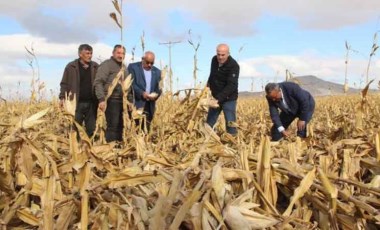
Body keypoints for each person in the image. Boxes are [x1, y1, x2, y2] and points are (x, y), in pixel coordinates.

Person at [94, 44, 132, 142]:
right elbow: (98, 82)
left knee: (121, 126)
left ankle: (118, 147)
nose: (120, 55)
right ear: (113, 53)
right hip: (111, 100)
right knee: (112, 126)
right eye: (118, 53)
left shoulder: (124, 67)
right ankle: (111, 148)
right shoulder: (107, 65)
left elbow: (128, 86)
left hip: (122, 101)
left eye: (123, 53)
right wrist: (101, 99)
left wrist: (129, 101)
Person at [59, 44, 99, 137]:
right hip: (75, 103)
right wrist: (62, 98)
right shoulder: (71, 67)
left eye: (91, 53)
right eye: (87, 53)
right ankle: (75, 148)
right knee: (75, 128)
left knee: (91, 129)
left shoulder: (95, 67)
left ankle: (89, 148)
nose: (90, 55)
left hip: (91, 103)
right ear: (80, 54)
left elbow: (100, 83)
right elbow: (64, 83)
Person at [206, 44, 240, 135]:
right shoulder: (214, 60)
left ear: (228, 54)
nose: (220, 57)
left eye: (223, 55)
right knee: (209, 123)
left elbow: (231, 85)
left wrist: (218, 99)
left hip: (228, 99)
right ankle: (208, 140)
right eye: (218, 54)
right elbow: (212, 74)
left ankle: (232, 141)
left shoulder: (234, 66)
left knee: (230, 123)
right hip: (216, 96)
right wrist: (208, 85)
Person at [127, 51, 161, 131]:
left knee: (146, 128)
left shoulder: (157, 72)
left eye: (152, 63)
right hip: (137, 103)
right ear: (142, 59)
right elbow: (131, 84)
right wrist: (141, 93)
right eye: (147, 62)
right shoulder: (133, 67)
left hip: (149, 104)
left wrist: (156, 96)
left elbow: (159, 88)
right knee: (135, 127)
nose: (149, 65)